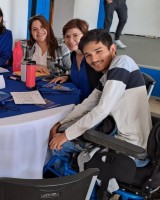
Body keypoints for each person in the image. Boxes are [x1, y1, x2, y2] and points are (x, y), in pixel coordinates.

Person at [48, 29, 151, 171]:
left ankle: (67, 186)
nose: (94, 59)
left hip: (130, 149)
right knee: (62, 135)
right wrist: (60, 124)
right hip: (116, 139)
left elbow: (102, 109)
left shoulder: (122, 63)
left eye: (98, 51)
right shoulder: (106, 76)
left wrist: (65, 135)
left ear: (112, 49)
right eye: (88, 55)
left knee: (59, 146)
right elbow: (87, 104)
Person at [52, 19, 103, 102]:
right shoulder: (74, 55)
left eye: (75, 35)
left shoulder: (93, 57)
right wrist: (68, 77)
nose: (70, 40)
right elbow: (80, 77)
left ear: (85, 36)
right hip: (77, 101)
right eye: (67, 36)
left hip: (92, 106)